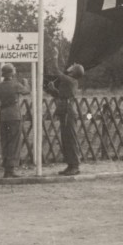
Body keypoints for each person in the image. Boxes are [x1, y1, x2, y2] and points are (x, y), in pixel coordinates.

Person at [46, 48, 84, 176]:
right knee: (66, 139)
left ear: (74, 72)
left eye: (73, 66)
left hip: (68, 112)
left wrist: (55, 57)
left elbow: (56, 71)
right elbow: (60, 96)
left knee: (70, 138)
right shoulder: (68, 82)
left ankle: (75, 165)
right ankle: (70, 165)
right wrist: (52, 90)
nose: (70, 66)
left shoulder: (71, 80)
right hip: (64, 110)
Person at [0, 64, 29, 178]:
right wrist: (26, 82)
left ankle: (6, 168)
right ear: (12, 73)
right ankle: (11, 169)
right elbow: (27, 91)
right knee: (14, 142)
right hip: (14, 115)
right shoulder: (16, 85)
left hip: (3, 116)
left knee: (5, 141)